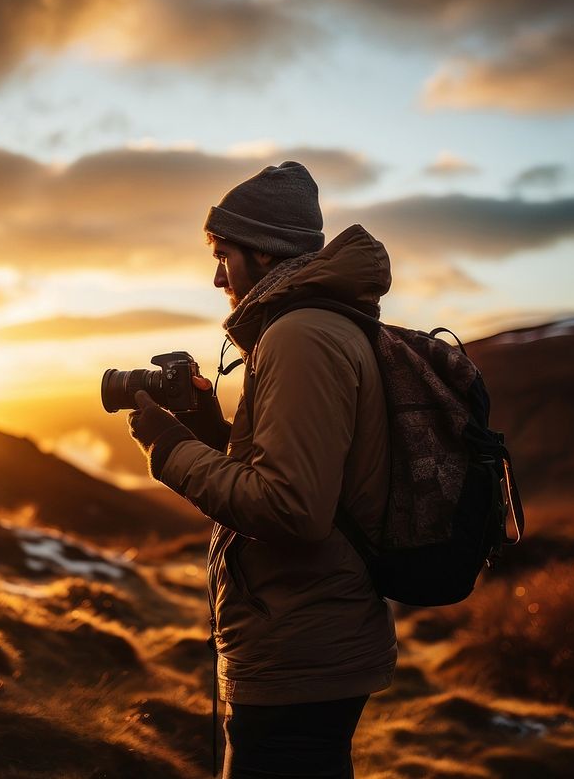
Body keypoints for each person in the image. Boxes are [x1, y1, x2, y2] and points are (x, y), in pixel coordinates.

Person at [127, 161, 396, 779]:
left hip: (301, 645)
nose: (217, 273)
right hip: (303, 635)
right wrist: (207, 429)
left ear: (265, 251)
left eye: (225, 253)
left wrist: (170, 449)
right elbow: (296, 469)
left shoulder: (302, 336)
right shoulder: (310, 328)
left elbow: (291, 508)